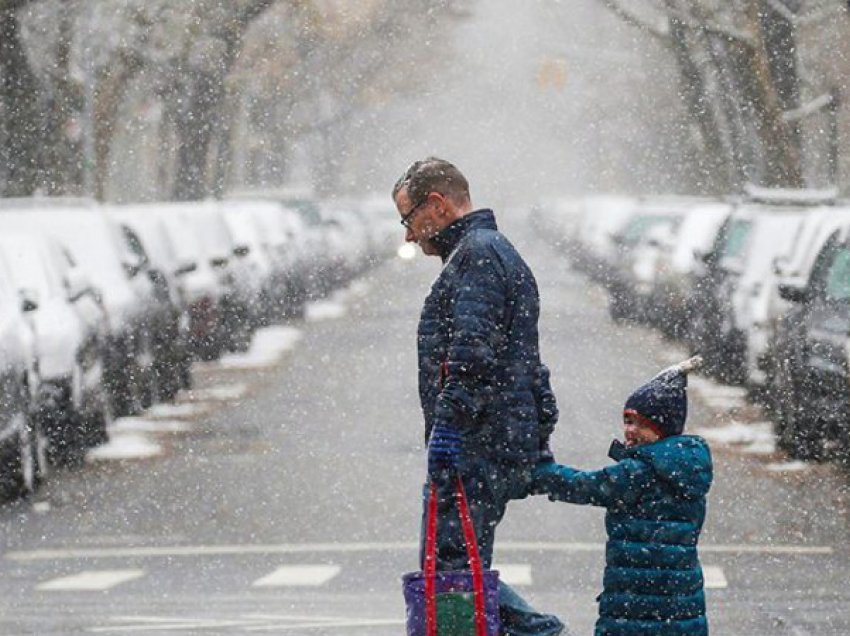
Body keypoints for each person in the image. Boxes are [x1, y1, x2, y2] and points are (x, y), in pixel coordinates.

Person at [393, 157, 565, 635]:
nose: (409, 235)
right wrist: (537, 428)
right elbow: (526, 358)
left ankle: (540, 631)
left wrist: (449, 430)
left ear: (437, 204)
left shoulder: (478, 256)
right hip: (492, 439)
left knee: (452, 574)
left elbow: (472, 357)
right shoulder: (487, 252)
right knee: (458, 571)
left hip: (476, 443)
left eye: (409, 220)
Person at [531, 356, 713, 636]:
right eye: (626, 421)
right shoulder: (687, 467)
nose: (629, 430)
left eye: (639, 423)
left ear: (661, 428)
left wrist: (539, 474)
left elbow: (586, 486)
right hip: (681, 599)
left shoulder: (639, 472)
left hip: (637, 603)